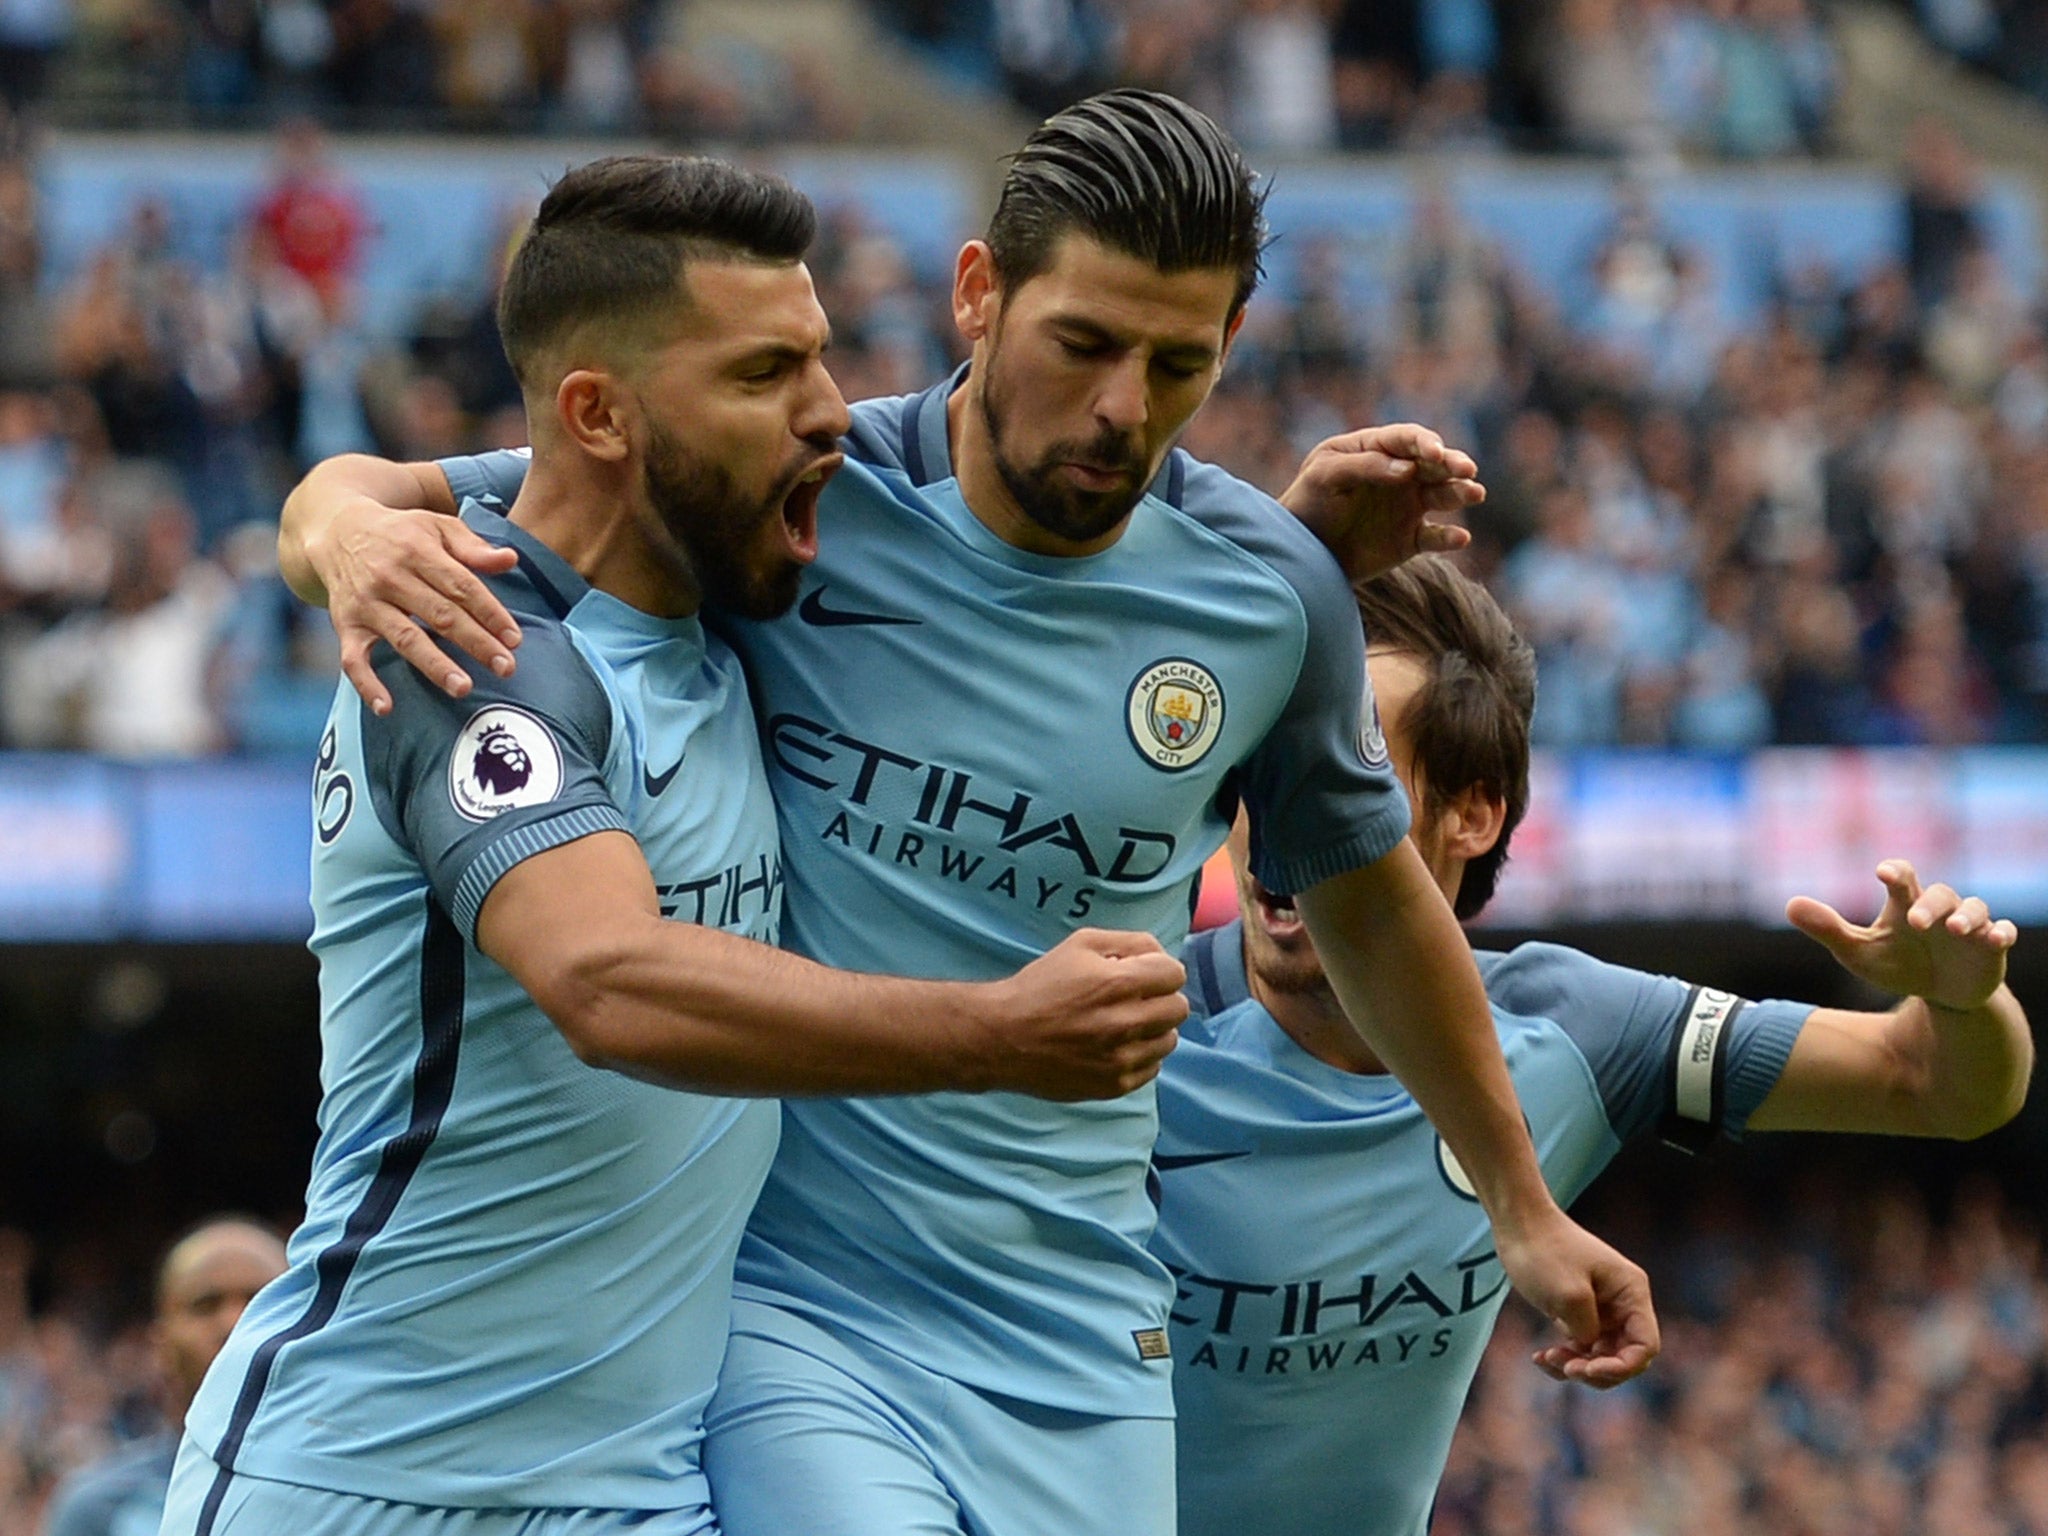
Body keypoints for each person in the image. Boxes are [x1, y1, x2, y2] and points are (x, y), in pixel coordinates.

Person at [277, 95, 1653, 1536]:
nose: (1125, 406)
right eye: (1086, 345)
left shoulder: (1267, 593)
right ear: (980, 293)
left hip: (1089, 1325)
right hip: (806, 1312)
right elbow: (487, 490)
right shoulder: (803, 491)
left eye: (1178, 363)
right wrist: (339, 527)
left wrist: (1520, 1202)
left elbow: (1369, 894)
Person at [164, 156, 1192, 1536]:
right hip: (369, 1482)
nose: (830, 414)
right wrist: (997, 1031)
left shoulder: (724, 589)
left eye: (821, 360)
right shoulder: (470, 638)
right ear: (599, 415)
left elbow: (358, 489)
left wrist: (332, 512)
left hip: (637, 1496)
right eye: (768, 375)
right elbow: (606, 981)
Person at [1158, 555, 2033, 1536]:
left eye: (1343, 779)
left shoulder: (1566, 1028)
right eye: (1268, 770)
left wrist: (1963, 999)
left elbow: (1937, 1085)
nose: (1284, 822)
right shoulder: (1130, 1025)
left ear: (1470, 811)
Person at [40, 1219, 286, 1536]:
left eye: (259, 1300)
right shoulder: (100, 1510)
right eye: (205, 1305)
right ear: (161, 1344)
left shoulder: (351, 1489)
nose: (233, 1322)